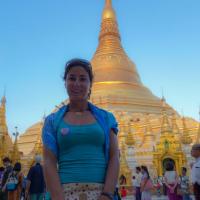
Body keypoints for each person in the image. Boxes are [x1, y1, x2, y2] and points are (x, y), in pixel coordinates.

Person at [42, 58, 119, 200]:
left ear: (90, 84)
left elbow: (114, 156)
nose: (77, 83)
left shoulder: (107, 118)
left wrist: (107, 194)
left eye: (83, 79)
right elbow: (49, 162)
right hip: (64, 192)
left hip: (101, 192)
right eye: (72, 78)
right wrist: (58, 197)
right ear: (65, 83)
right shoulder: (52, 121)